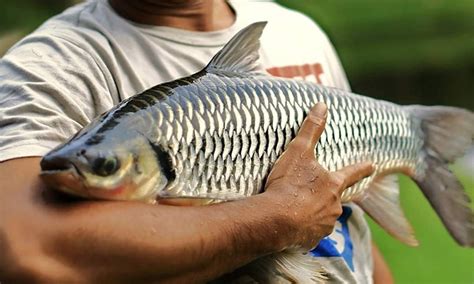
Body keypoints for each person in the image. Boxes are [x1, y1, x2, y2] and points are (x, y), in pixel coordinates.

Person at [0, 0, 392, 282]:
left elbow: (350, 226)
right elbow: (27, 251)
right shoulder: (50, 65)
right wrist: (277, 220)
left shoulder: (296, 31)